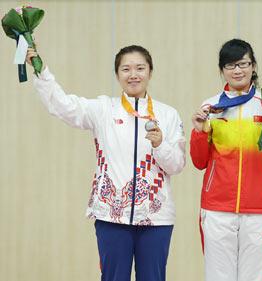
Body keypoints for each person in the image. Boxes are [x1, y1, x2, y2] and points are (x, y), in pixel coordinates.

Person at [26, 45, 186, 281]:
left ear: (150, 72)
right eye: (126, 69)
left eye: (140, 68)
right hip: (112, 217)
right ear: (117, 75)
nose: (134, 74)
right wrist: (41, 71)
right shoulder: (103, 109)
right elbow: (62, 105)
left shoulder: (168, 114)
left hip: (156, 217)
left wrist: (160, 144)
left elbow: (177, 165)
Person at [190, 38, 262, 281]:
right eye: (230, 65)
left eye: (243, 64)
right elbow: (199, 161)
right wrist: (198, 131)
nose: (237, 70)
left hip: (259, 209)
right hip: (217, 208)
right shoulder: (211, 106)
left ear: (253, 66)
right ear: (222, 70)